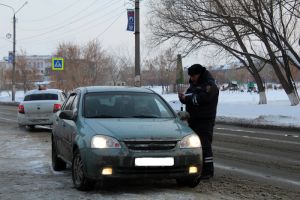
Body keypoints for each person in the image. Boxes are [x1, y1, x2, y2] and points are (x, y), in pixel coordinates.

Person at [179, 64, 219, 179]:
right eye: (191, 76)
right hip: (193, 120)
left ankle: (207, 171)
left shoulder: (209, 85)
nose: (192, 78)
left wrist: (187, 99)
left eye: (194, 76)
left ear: (200, 74)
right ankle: (198, 169)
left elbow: (202, 99)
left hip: (205, 120)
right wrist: (182, 98)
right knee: (195, 146)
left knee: (205, 146)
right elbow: (189, 97)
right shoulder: (194, 85)